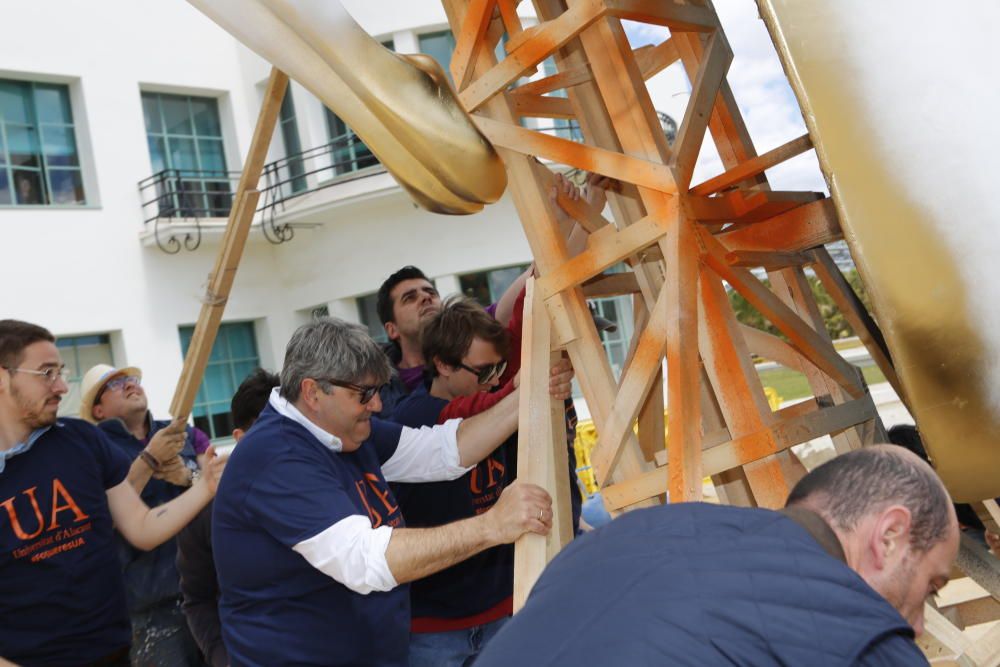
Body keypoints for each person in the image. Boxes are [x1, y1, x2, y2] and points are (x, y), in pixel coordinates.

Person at [212, 318, 558, 666]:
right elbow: (365, 560)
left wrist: (526, 395)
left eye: (377, 391)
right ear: (312, 392)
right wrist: (492, 526)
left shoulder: (342, 431)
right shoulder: (276, 457)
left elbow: (442, 450)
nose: (376, 405)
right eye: (363, 394)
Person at [475, 445, 960, 666]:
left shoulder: (624, 536)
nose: (917, 624)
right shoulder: (861, 636)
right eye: (930, 586)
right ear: (891, 535)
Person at [0, 320, 225, 666]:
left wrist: (206, 486)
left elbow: (142, 527)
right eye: (46, 373)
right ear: (3, 377)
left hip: (118, 650)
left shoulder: (82, 441)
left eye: (60, 372)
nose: (61, 386)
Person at [390, 297, 520, 665]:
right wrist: (515, 392)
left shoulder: (495, 403)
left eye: (500, 369)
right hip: (433, 626)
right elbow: (466, 414)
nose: (494, 382)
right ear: (442, 364)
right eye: (483, 372)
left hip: (501, 611)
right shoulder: (413, 417)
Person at [78, 363, 210, 665]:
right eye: (114, 384)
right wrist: (149, 460)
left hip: (209, 590)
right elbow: (100, 517)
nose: (129, 384)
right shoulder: (91, 452)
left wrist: (187, 476)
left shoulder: (185, 435)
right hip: (149, 609)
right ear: (98, 411)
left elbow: (218, 490)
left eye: (131, 378)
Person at [176, 368, 280, 667]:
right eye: (268, 432)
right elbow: (197, 598)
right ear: (239, 437)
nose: (282, 444)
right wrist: (222, 657)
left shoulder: (323, 488)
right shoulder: (207, 510)